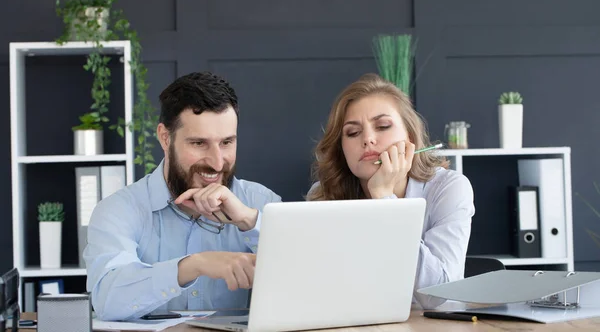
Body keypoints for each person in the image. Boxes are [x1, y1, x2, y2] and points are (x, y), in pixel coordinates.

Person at [84, 72, 282, 321]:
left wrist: (251, 222)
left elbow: (309, 280)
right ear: (165, 138)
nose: (217, 162)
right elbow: (107, 300)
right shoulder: (119, 210)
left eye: (227, 142)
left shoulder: (261, 204)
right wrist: (193, 265)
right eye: (199, 143)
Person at [306, 73, 475, 309]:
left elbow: (437, 295)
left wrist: (385, 198)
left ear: (410, 135)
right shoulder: (324, 195)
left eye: (383, 126)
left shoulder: (449, 189)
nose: (368, 140)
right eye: (353, 133)